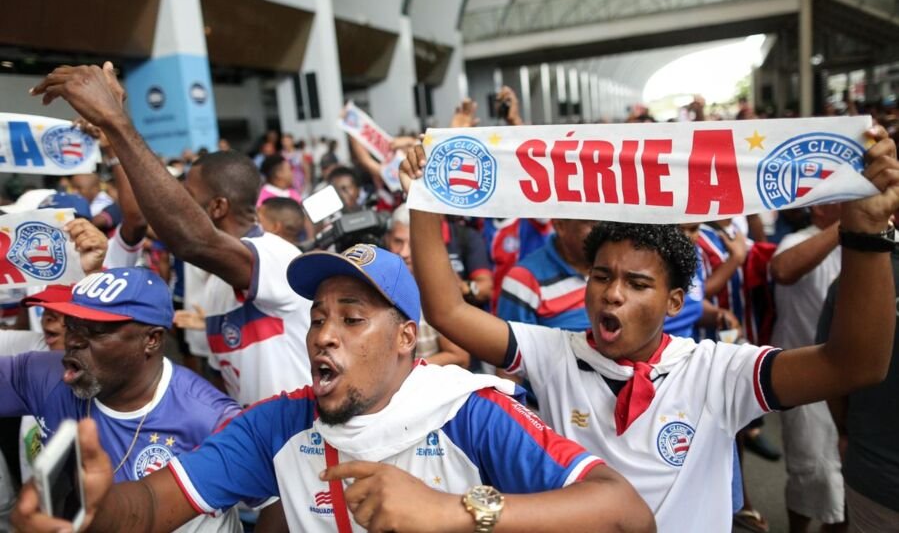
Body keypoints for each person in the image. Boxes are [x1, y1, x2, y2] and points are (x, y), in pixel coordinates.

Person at [402, 127, 899, 532]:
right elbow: (447, 312)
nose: (612, 294)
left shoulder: (717, 372)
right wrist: (423, 199)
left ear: (674, 301)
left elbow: (852, 364)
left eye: (637, 283)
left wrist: (867, 237)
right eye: (600, 276)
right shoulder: (554, 354)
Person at [12, 245, 655, 533]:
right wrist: (86, 507)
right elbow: (153, 509)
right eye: (318, 318)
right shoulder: (278, 426)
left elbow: (627, 515)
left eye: (352, 319)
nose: (324, 335)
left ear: (407, 338)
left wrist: (453, 513)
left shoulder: (470, 414)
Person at [30, 63, 312, 406]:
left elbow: (189, 237)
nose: (176, 207)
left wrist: (116, 121)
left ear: (218, 207)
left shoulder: (275, 256)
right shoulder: (218, 284)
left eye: (188, 199)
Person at [2, 267, 242, 533]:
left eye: (96, 331)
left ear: (151, 339)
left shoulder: (211, 417)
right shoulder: (46, 377)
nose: (74, 341)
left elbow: (275, 503)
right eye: (71, 325)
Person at [816, 219, 899, 533]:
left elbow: (835, 374)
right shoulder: (865, 275)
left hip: (874, 471)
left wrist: (847, 432)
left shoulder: (861, 276)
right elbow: (836, 369)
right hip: (878, 477)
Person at [770, 203, 846, 532]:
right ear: (817, 209)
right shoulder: (799, 240)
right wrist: (848, 226)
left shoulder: (876, 242)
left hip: (857, 381)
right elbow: (783, 270)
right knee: (811, 470)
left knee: (850, 479)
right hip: (806, 378)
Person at [384, 204, 469, 367]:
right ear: (387, 239)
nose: (404, 252)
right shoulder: (377, 283)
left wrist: (404, 372)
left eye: (412, 244)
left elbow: (460, 357)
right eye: (398, 241)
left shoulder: (438, 291)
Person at [496, 218, 596, 331]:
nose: (602, 229)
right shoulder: (523, 281)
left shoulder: (614, 267)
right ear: (560, 226)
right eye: (593, 223)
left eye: (607, 221)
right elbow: (512, 345)